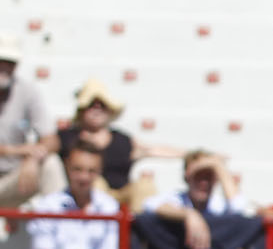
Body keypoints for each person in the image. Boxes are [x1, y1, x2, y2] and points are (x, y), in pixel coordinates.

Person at [20, 79, 180, 211]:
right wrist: (31, 161)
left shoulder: (123, 140)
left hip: (121, 195)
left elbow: (152, 150)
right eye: (91, 105)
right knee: (95, 183)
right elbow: (43, 148)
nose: (97, 110)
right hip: (85, 197)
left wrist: (189, 155)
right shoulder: (66, 137)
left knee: (145, 187)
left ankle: (136, 240)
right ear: (82, 110)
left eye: (102, 105)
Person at [0, 31, 61, 208]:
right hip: (13, 173)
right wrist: (20, 152)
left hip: (12, 180)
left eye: (9, 62)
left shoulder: (27, 91)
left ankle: (62, 229)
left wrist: (33, 158)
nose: (4, 67)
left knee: (50, 164)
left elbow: (51, 139)